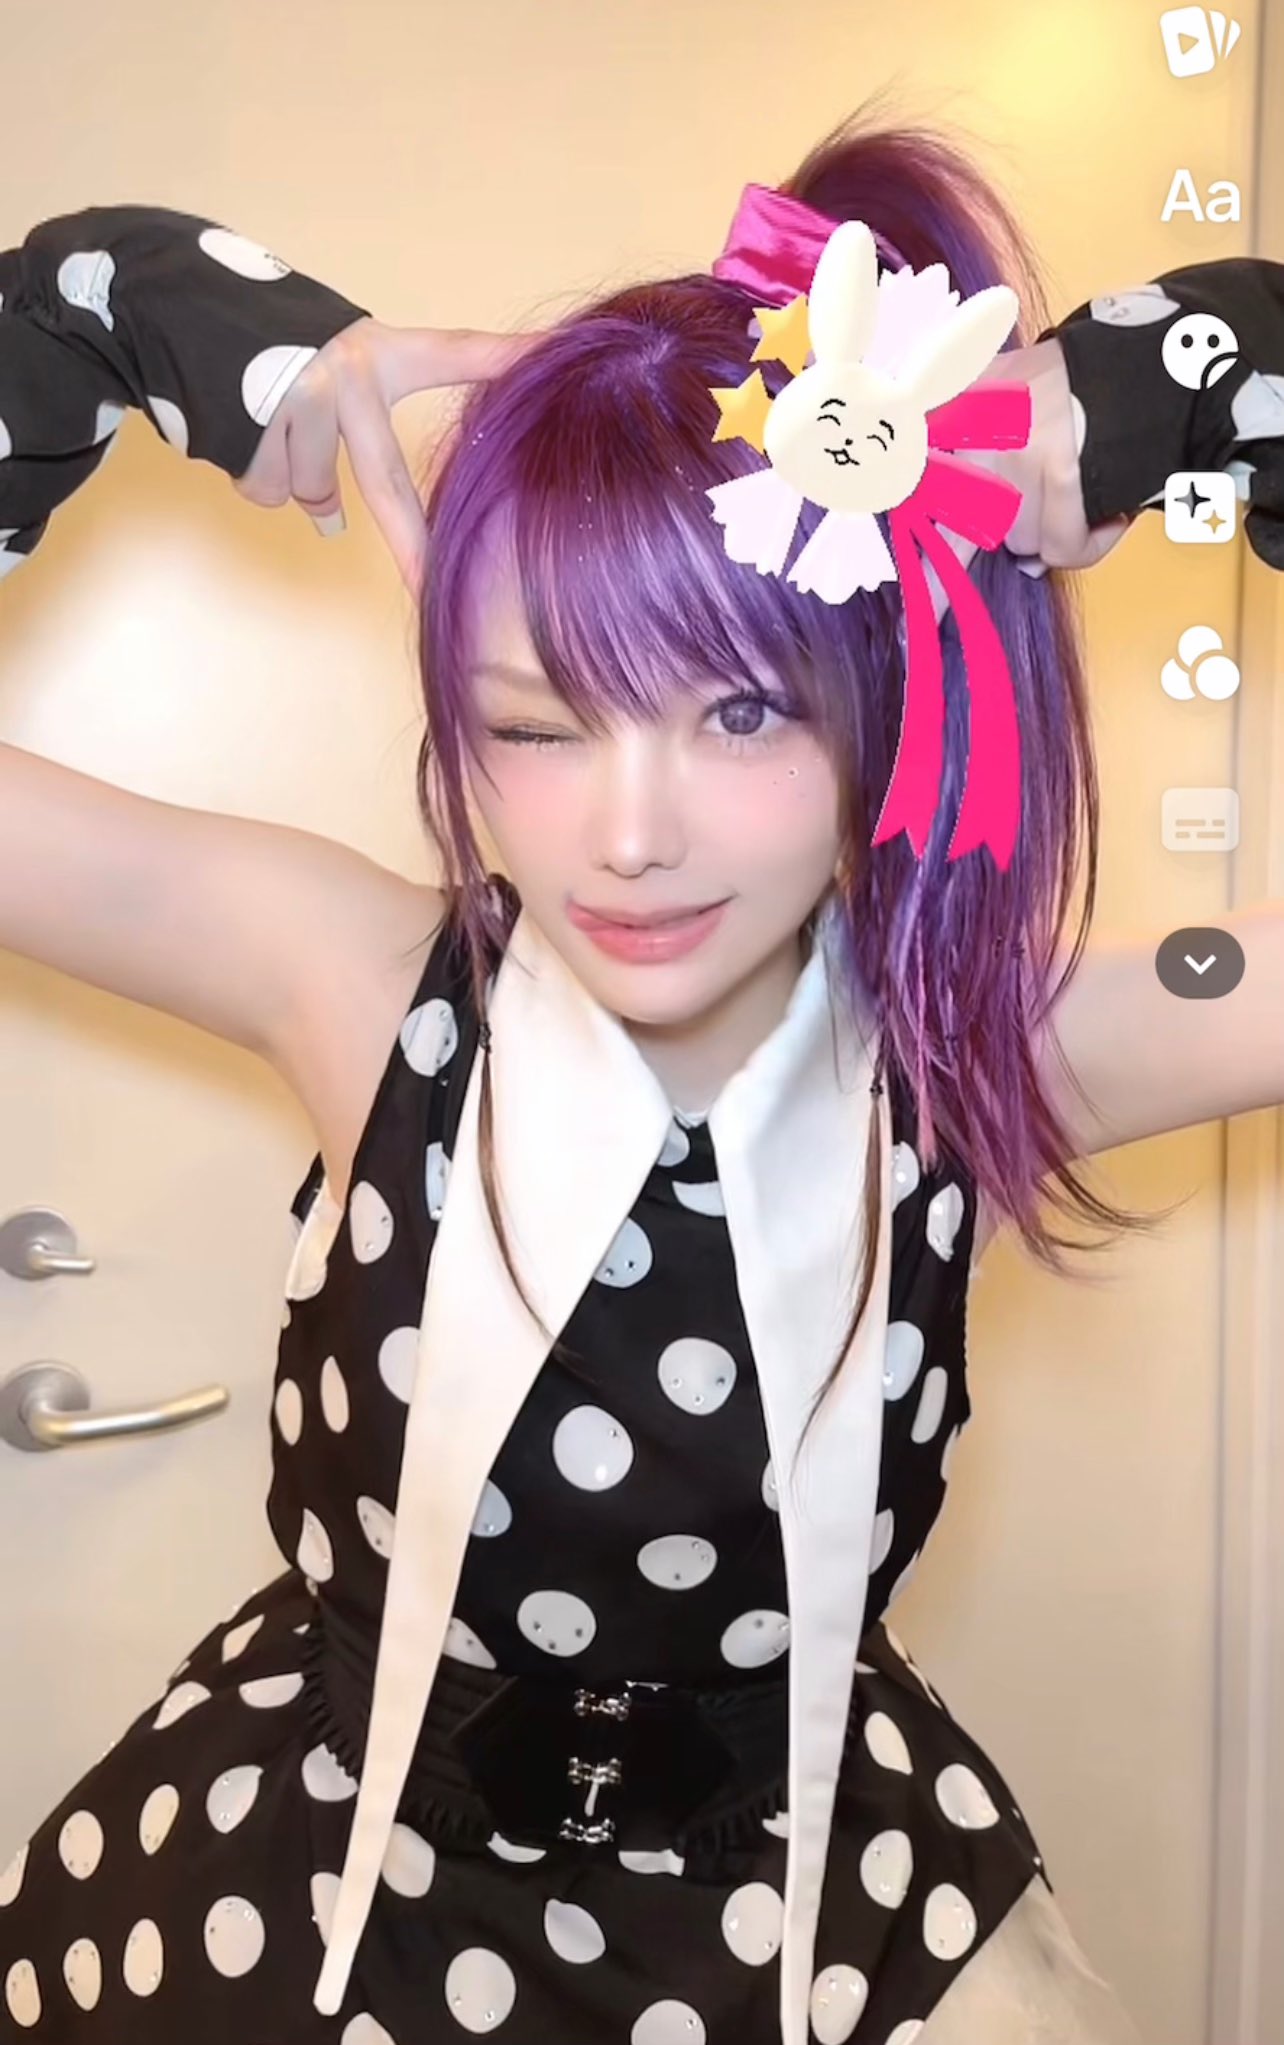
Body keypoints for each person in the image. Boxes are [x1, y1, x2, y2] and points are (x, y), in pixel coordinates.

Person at [1, 108, 1282, 2045]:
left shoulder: (985, 1052)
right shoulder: (352, 986)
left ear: (888, 698)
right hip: (314, 1907)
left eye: (742, 711)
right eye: (534, 724)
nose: (629, 835)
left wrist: (1198, 379)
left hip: (809, 1926)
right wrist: (136, 320)